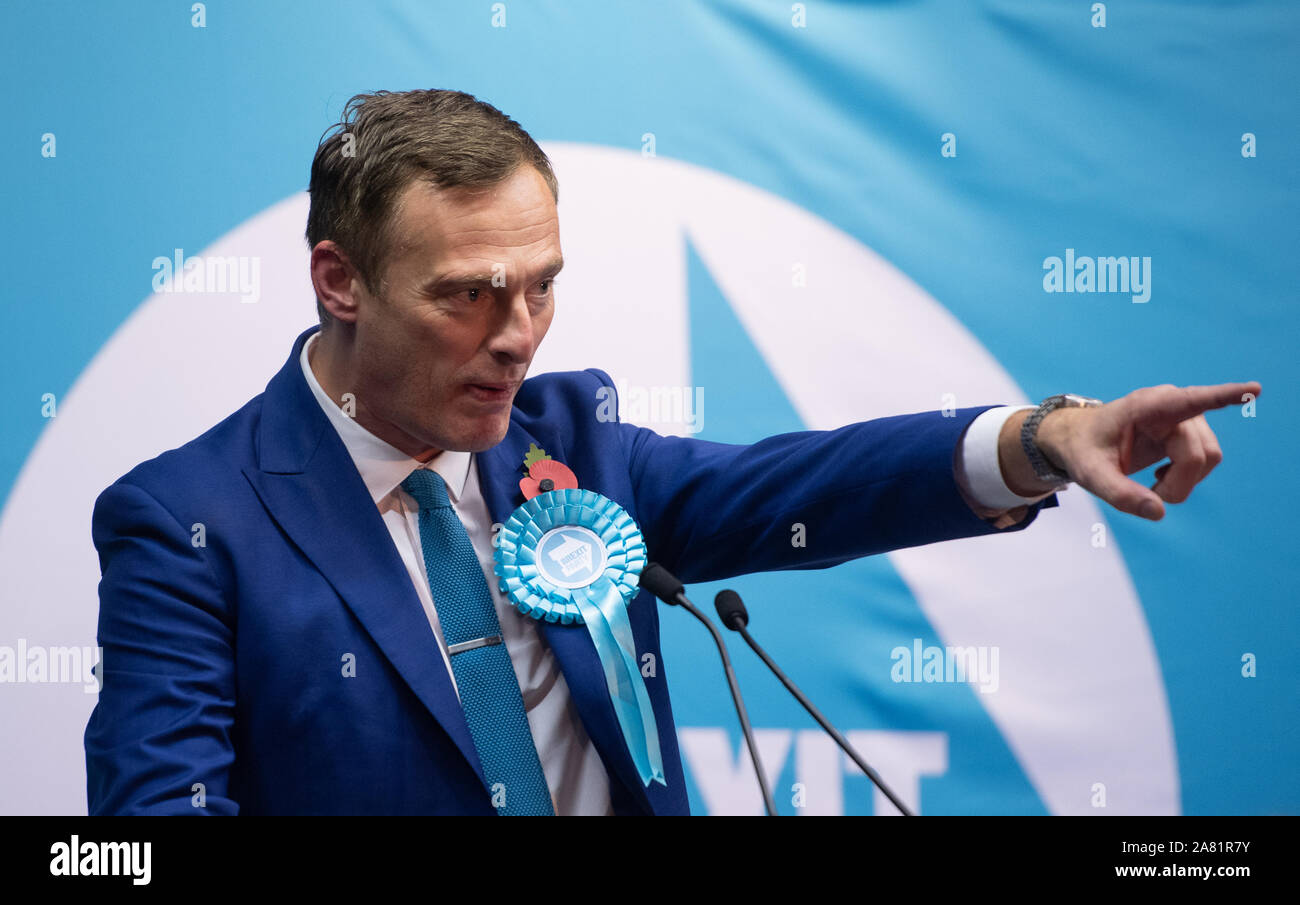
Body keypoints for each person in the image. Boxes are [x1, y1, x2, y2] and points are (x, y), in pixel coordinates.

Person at [84, 89, 1260, 815]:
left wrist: (1047, 436)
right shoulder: (189, 521)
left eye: (542, 288)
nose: (518, 337)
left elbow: (806, 487)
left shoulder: (575, 444)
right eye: (468, 297)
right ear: (339, 281)